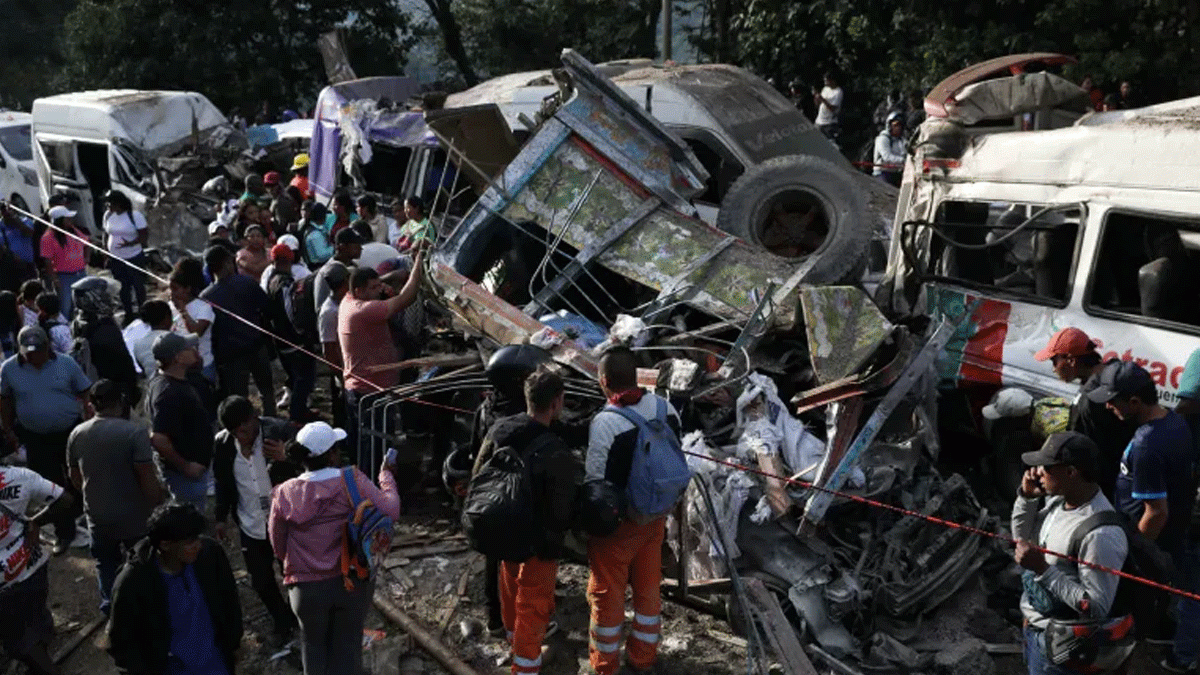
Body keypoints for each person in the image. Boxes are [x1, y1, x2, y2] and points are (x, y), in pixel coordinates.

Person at [1086, 361, 1200, 670]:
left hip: (1150, 543)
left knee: (1141, 605)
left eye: (1113, 401)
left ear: (1134, 402)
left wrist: (1130, 554)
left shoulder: (1147, 445)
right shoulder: (1174, 422)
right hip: (1173, 536)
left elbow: (1156, 513)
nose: (1108, 407)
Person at [269, 422, 400, 675]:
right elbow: (391, 510)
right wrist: (386, 476)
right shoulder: (352, 481)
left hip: (306, 589)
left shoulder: (284, 493)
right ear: (331, 454)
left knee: (313, 646)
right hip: (350, 581)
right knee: (348, 647)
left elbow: (278, 544)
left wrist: (296, 565)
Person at [585, 346, 681, 675]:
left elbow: (597, 483)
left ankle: (604, 665)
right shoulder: (664, 408)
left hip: (621, 524)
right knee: (648, 587)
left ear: (604, 381)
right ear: (637, 376)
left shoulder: (606, 422)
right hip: (656, 515)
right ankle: (643, 658)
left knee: (607, 594)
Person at [476, 367, 578, 674]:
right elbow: (561, 509)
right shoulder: (555, 450)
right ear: (557, 403)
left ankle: (513, 641)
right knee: (533, 609)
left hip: (506, 533)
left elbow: (479, 473)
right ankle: (525, 666)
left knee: (510, 595)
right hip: (538, 543)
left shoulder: (500, 430)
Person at [1011, 432, 1132, 675]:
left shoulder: (1101, 534)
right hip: (1039, 634)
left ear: (1071, 472)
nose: (1038, 472)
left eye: (1046, 466)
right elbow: (1020, 541)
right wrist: (1026, 499)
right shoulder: (1059, 502)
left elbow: (1096, 607)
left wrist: (1043, 570)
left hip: (1065, 654)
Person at [108, 502, 243, 675]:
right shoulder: (134, 582)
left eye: (198, 538)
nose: (198, 545)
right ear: (165, 545)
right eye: (189, 542)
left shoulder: (209, 556)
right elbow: (122, 641)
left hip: (216, 664)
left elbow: (229, 600)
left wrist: (234, 642)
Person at [67, 379, 163, 615]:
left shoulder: (77, 434)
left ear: (92, 405)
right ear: (121, 402)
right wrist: (158, 505)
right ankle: (148, 607)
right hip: (135, 515)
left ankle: (112, 609)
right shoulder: (134, 433)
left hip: (97, 515)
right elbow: (147, 477)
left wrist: (95, 495)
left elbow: (74, 477)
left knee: (105, 563)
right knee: (143, 562)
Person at [212, 396, 298, 645]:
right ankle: (282, 621)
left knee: (294, 574)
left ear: (254, 419)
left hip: (286, 523)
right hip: (251, 525)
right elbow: (222, 482)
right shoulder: (224, 445)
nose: (242, 437)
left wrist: (288, 455)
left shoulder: (280, 432)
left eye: (245, 429)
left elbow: (313, 467)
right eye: (236, 432)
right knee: (261, 581)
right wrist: (220, 517)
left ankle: (304, 614)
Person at [0, 326, 90, 553]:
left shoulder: (66, 363)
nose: (33, 357)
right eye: (28, 353)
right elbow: (5, 399)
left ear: (48, 347)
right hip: (36, 437)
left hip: (70, 432)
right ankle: (65, 533)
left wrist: (90, 421)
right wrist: (8, 429)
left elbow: (86, 392)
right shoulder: (9, 369)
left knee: (79, 479)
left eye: (37, 352)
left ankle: (85, 516)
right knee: (51, 487)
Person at [339, 260, 423, 472]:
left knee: (366, 445)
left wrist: (383, 283)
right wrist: (420, 262)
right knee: (375, 448)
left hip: (361, 389)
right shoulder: (364, 310)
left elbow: (378, 289)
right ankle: (375, 494)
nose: (379, 291)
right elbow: (407, 298)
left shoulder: (348, 299)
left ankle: (368, 487)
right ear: (359, 290)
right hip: (370, 393)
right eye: (373, 288)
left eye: (379, 286)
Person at [1034, 328, 1133, 502]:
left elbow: (1092, 452)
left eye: (1054, 361)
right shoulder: (1115, 370)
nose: (1054, 369)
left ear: (1071, 360)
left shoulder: (1090, 401)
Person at [0, 461, 75, 675]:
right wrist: (36, 521)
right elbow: (65, 499)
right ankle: (41, 647)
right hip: (32, 563)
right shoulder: (20, 476)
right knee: (35, 612)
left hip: (4, 584)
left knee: (16, 638)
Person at [201, 245, 276, 417]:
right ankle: (271, 421)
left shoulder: (206, 296)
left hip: (230, 355)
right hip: (256, 346)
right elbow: (268, 309)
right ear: (227, 263)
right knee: (267, 390)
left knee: (238, 398)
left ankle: (243, 425)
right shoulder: (247, 283)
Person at [146, 332, 214, 511]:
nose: (194, 350)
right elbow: (158, 438)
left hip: (192, 471)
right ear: (178, 358)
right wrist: (186, 467)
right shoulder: (168, 393)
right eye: (188, 348)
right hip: (185, 476)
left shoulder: (167, 379)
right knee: (190, 522)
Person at [264, 244, 316, 421]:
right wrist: (301, 333)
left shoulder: (271, 279)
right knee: (304, 379)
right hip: (292, 339)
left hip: (280, 339)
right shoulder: (284, 283)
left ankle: (299, 412)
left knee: (296, 378)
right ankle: (298, 414)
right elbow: (290, 311)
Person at [71, 276, 140, 404]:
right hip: (114, 393)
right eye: (106, 295)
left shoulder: (78, 322)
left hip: (97, 389)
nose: (110, 298)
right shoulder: (106, 329)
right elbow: (124, 365)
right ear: (94, 299)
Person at [102, 190, 149, 324]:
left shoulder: (135, 216)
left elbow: (144, 236)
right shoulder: (108, 215)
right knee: (123, 287)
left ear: (119, 203)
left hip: (134, 256)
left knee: (138, 285)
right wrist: (106, 252)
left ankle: (143, 312)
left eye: (111, 203)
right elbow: (106, 234)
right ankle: (129, 313)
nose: (108, 206)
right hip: (116, 258)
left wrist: (130, 243)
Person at [169, 262, 217, 384]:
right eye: (170, 289)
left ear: (188, 289)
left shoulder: (203, 307)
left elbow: (196, 332)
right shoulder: (170, 307)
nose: (171, 293)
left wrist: (183, 311)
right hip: (180, 367)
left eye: (175, 289)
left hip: (203, 366)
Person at [39, 205, 89, 320]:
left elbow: (87, 243)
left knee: (83, 304)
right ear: (59, 220)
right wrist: (55, 279)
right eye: (67, 218)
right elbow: (47, 261)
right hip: (64, 277)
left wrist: (87, 258)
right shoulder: (48, 237)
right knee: (65, 307)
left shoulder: (74, 230)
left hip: (80, 274)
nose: (70, 220)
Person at [317, 263, 349, 428]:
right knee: (345, 411)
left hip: (350, 366)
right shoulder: (329, 312)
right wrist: (340, 374)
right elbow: (328, 349)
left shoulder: (344, 303)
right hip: (343, 371)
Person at [313, 227, 363, 317]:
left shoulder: (353, 265)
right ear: (342, 246)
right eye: (356, 245)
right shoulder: (330, 270)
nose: (360, 248)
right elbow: (321, 307)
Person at [129, 299, 173, 379]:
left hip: (153, 385)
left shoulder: (138, 344)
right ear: (167, 318)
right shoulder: (174, 338)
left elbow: (143, 366)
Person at [0, 201, 38, 292]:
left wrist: (16, 221)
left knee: (30, 292)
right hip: (9, 268)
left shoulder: (25, 221)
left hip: (27, 265)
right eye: (3, 210)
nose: (7, 213)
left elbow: (29, 233)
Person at [873, 112, 906, 186]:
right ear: (889, 125)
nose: (898, 128)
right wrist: (903, 160)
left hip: (896, 173)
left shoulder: (901, 141)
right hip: (882, 173)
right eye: (895, 125)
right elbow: (887, 157)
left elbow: (905, 153)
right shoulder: (883, 138)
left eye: (900, 125)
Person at [813, 72, 844, 144]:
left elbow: (833, 109)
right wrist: (816, 98)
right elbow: (819, 104)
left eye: (826, 80)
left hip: (829, 123)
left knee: (829, 143)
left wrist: (823, 100)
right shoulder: (825, 89)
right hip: (819, 121)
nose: (825, 82)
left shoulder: (838, 92)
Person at [301, 203, 334, 268]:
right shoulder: (315, 235)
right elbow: (322, 255)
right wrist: (334, 249)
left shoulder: (315, 229)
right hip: (317, 267)